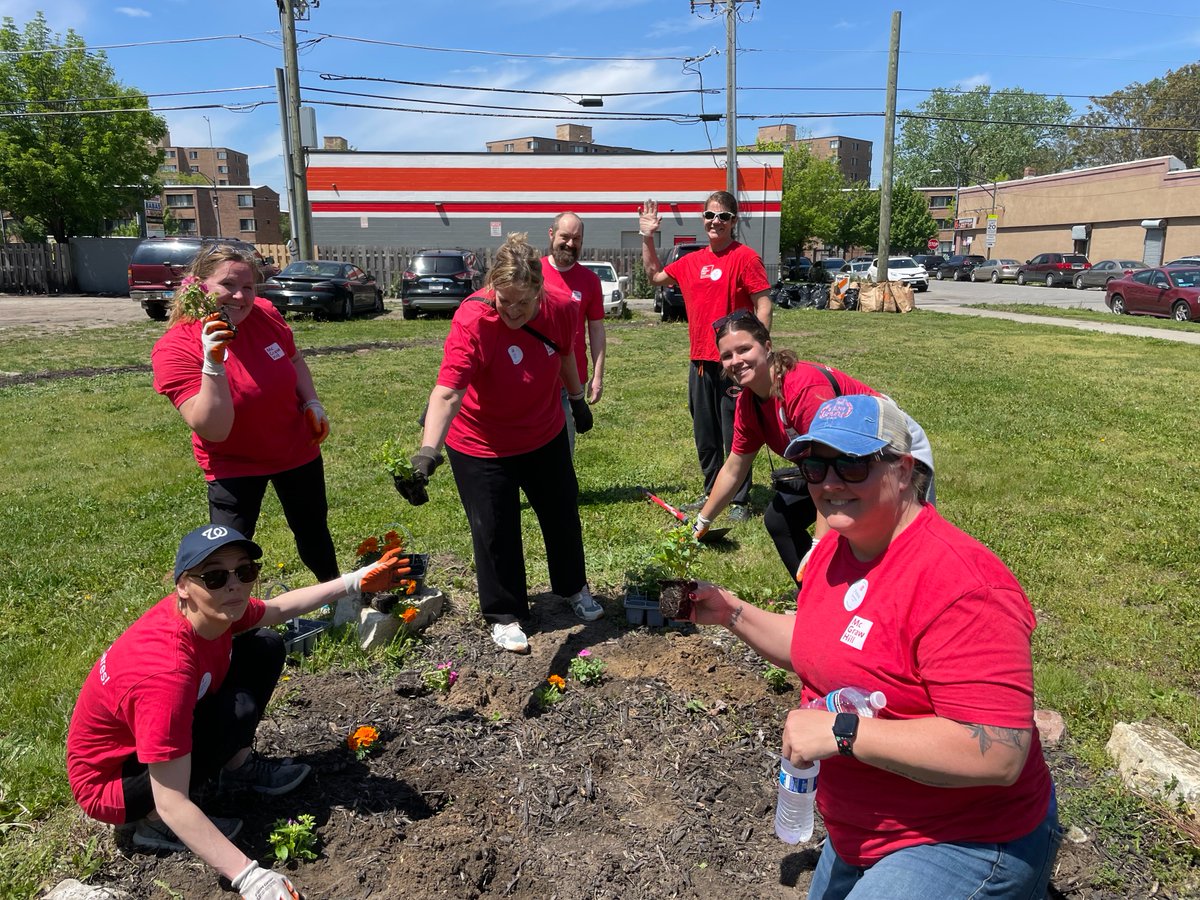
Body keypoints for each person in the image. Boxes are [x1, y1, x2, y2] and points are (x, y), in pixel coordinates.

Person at [689, 394, 1060, 900]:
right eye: (814, 466)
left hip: (966, 841)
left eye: (852, 464)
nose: (830, 482)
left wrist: (844, 732)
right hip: (864, 834)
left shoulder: (962, 586)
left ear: (904, 470)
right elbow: (821, 646)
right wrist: (732, 612)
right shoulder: (836, 551)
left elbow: (998, 753)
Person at [66, 524, 410, 900]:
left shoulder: (209, 612)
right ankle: (150, 826)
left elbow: (279, 608)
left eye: (244, 572)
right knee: (236, 712)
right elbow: (172, 800)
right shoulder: (165, 672)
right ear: (182, 585)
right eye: (214, 576)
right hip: (114, 784)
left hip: (147, 739)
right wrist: (250, 877)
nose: (234, 585)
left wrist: (356, 580)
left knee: (264, 645)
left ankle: (236, 768)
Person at [406, 232, 603, 654]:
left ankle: (573, 588)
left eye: (523, 303)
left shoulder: (560, 309)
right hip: (481, 442)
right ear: (491, 287)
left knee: (561, 514)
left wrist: (575, 399)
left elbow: (565, 353)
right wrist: (428, 452)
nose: (513, 312)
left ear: (539, 292)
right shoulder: (472, 319)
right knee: (495, 528)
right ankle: (505, 613)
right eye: (504, 301)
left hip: (543, 432)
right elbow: (448, 392)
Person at [693, 311, 934, 582]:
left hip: (890, 451)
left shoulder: (803, 389)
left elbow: (830, 472)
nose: (736, 361)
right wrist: (703, 522)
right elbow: (735, 469)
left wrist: (819, 544)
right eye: (727, 355)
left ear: (767, 347)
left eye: (744, 349)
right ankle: (813, 594)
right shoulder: (748, 404)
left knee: (892, 540)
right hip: (843, 467)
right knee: (780, 520)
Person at [151, 245, 338, 583]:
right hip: (232, 464)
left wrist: (312, 401)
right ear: (200, 287)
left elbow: (293, 359)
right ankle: (229, 624)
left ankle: (337, 597)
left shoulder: (265, 313)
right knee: (227, 554)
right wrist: (213, 362)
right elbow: (215, 430)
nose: (240, 296)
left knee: (313, 532)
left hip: (295, 449)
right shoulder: (175, 348)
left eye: (248, 286)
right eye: (228, 285)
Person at [639, 191, 772, 520]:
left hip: (734, 364)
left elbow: (764, 303)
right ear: (703, 219)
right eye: (710, 215)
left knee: (736, 430)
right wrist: (647, 237)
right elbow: (655, 276)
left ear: (733, 221)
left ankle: (739, 500)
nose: (716, 222)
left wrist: (759, 350)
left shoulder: (745, 258)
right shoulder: (692, 261)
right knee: (706, 432)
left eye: (723, 217)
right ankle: (713, 490)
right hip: (700, 361)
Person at [541, 211, 607, 455]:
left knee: (564, 447)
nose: (570, 243)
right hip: (534, 378)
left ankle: (561, 492)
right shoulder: (532, 273)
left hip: (572, 381)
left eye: (576, 239)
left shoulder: (589, 280)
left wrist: (597, 376)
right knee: (531, 442)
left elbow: (597, 329)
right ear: (551, 234)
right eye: (565, 236)